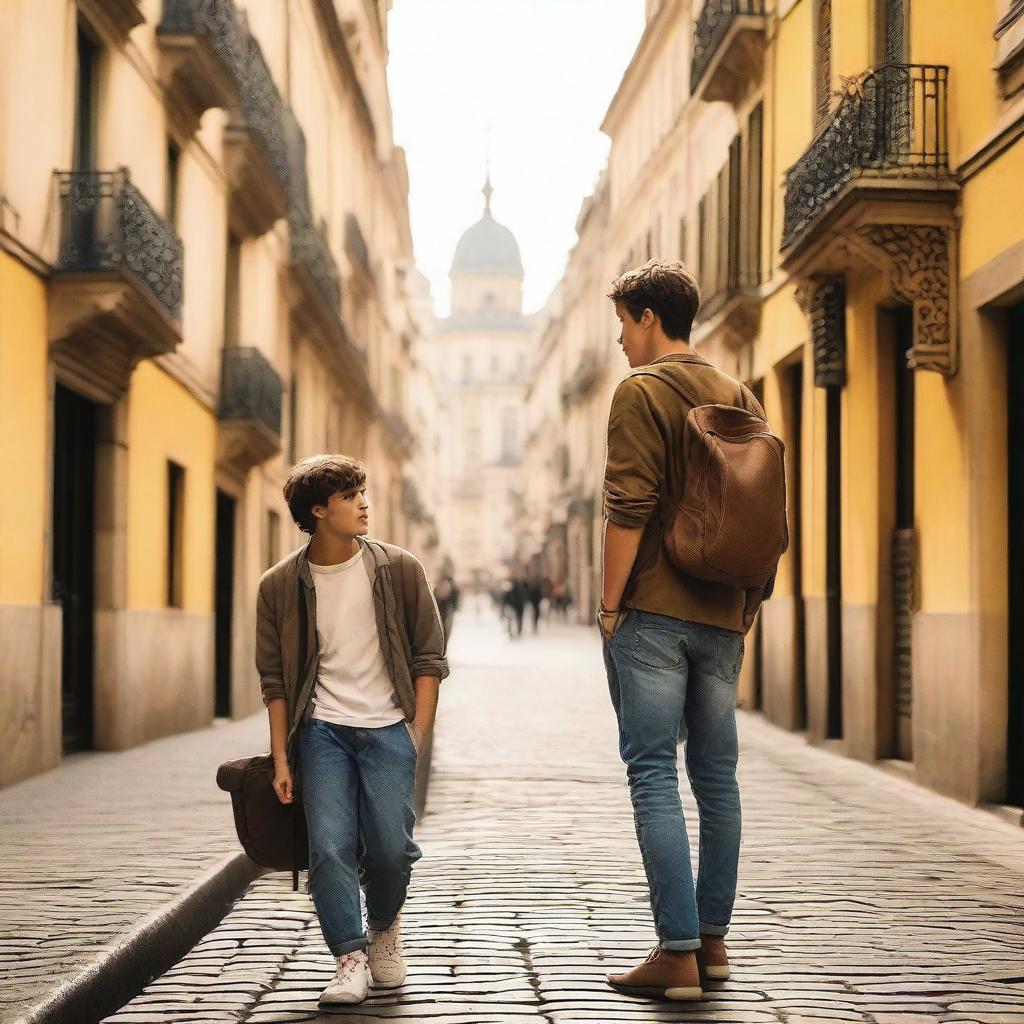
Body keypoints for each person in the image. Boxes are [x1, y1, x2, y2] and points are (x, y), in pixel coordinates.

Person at [598, 260, 766, 1002]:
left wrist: (609, 607)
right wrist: (746, 605)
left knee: (652, 773)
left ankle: (675, 954)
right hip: (723, 614)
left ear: (647, 316)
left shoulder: (640, 392)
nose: (621, 340)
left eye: (624, 323)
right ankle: (713, 942)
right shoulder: (739, 393)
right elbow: (763, 511)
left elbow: (627, 507)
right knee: (718, 778)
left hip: (656, 614)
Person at [256, 454, 448, 1009]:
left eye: (363, 492)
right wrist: (282, 760)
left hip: (389, 728)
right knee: (330, 849)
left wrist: (415, 735)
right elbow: (273, 681)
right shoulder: (279, 587)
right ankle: (349, 957)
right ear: (318, 511)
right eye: (350, 496)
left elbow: (429, 658)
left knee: (391, 849)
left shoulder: (400, 569)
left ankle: (385, 927)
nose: (365, 503)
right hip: (322, 734)